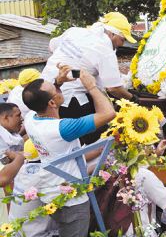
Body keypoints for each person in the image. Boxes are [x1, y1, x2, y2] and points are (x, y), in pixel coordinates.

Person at [21, 70, 116, 237]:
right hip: (71, 199)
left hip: (52, 192)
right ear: (53, 103)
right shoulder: (61, 129)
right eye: (55, 88)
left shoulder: (31, 117)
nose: (57, 87)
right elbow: (108, 113)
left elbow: (46, 99)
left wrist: (58, 82)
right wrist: (91, 86)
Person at [42, 12, 135, 144]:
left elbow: (52, 45)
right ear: (112, 34)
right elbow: (113, 88)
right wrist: (132, 99)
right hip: (70, 98)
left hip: (44, 89)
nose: (122, 43)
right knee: (88, 137)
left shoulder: (75, 31)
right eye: (122, 39)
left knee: (56, 137)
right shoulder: (105, 50)